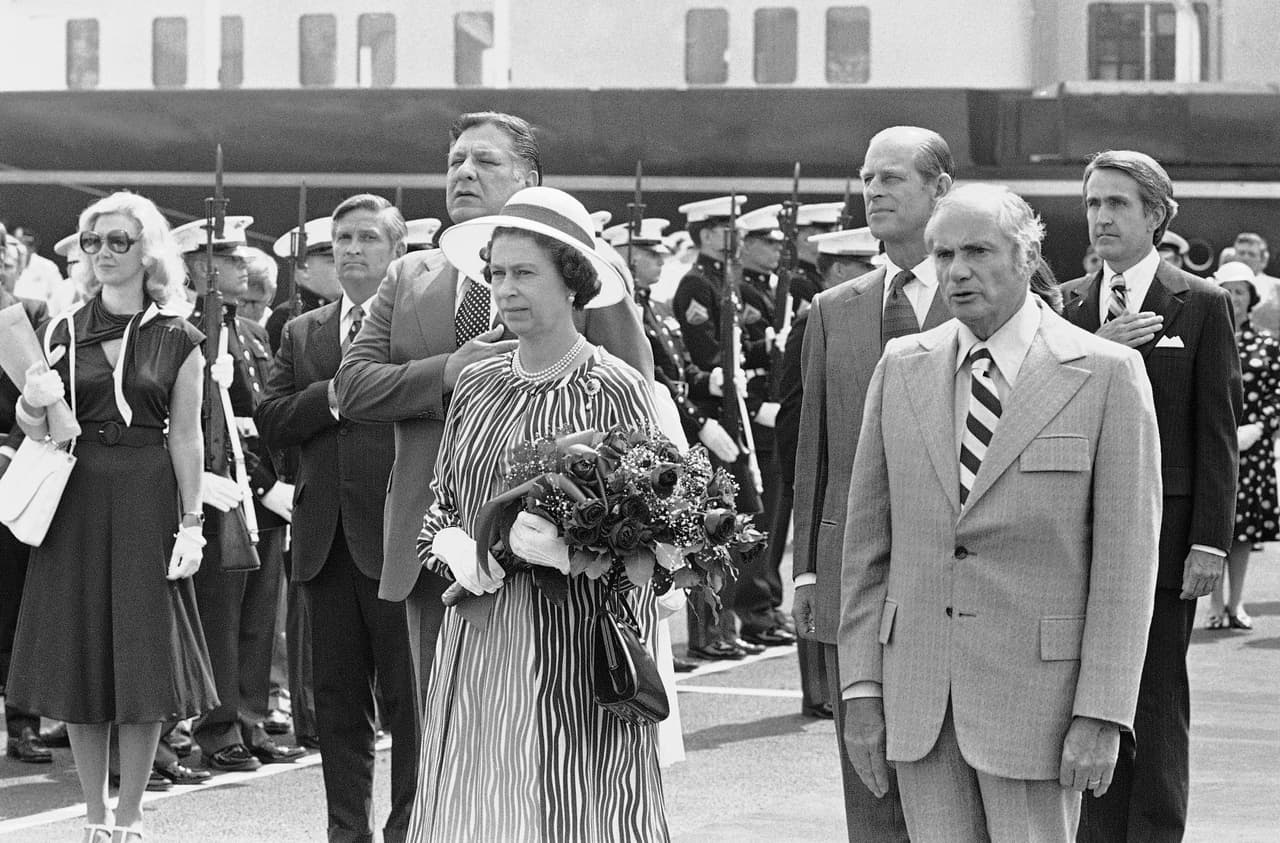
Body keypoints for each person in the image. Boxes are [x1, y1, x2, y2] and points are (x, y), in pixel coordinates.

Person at [840, 183, 1161, 841]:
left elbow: (1127, 567)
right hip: (920, 696)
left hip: (1040, 705)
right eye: (943, 254)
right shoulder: (902, 368)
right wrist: (861, 689)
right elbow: (867, 548)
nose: (957, 271)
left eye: (978, 250)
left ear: (1026, 254)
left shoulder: (1105, 374)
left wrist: (1102, 712)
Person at [333, 110, 652, 714]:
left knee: (545, 732)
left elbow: (636, 412)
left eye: (485, 161)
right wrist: (447, 373)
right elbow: (352, 388)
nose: (465, 173)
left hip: (555, 559)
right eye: (456, 161)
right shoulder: (409, 275)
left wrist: (583, 523)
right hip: (438, 544)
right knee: (444, 737)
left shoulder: (576, 269)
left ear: (529, 177)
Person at [404, 186, 667, 841]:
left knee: (567, 808)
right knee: (479, 807)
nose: (505, 287)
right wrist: (458, 546)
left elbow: (662, 541)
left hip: (575, 646)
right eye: (496, 272)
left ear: (572, 280)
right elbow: (439, 506)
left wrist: (572, 550)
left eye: (525, 272)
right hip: (478, 637)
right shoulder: (476, 382)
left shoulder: (616, 386)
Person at [4, 191, 219, 842]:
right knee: (81, 650)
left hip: (147, 491)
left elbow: (187, 436)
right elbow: (38, 423)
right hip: (77, 490)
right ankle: (93, 816)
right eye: (93, 242)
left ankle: (129, 819)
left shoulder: (180, 334)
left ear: (147, 250)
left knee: (143, 652)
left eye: (118, 241)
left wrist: (192, 521)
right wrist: (33, 403)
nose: (102, 253)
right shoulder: (60, 327)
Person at [1061, 150, 1242, 843]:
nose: (1101, 217)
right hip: (1077, 530)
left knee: (1156, 688)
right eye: (1093, 203)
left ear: (1155, 215)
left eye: (1117, 204)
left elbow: (1216, 428)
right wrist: (1095, 346)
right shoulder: (1069, 305)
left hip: (1167, 534)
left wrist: (1210, 538)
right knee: (1088, 687)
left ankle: (1154, 830)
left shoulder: (1199, 303)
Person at [791, 125, 954, 842]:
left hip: (953, 577)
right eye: (868, 177)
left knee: (953, 786)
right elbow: (815, 451)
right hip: (854, 576)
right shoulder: (835, 308)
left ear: (939, 189)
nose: (874, 191)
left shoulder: (988, 291)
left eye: (892, 177)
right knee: (869, 784)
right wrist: (803, 571)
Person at [256, 194, 419, 843]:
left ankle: (410, 827)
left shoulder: (419, 327)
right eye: (341, 239)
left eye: (366, 238)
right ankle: (346, 832)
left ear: (397, 250)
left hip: (399, 539)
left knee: (410, 704)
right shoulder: (303, 332)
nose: (351, 249)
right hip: (325, 545)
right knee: (337, 705)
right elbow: (270, 418)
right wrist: (332, 396)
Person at [172, 217, 303, 774]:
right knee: (221, 620)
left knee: (256, 618)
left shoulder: (247, 332)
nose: (242, 263)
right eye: (227, 256)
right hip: (221, 490)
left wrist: (274, 485)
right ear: (200, 269)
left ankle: (250, 720)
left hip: (259, 496)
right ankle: (219, 725)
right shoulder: (182, 331)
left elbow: (264, 418)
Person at [777, 225, 880, 720]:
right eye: (863, 267)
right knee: (820, 598)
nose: (872, 275)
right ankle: (817, 692)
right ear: (840, 269)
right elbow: (800, 410)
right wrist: (800, 477)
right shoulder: (820, 317)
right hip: (825, 476)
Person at [1204, 261, 1280, 631]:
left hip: (1253, 450)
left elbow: (1276, 394)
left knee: (1245, 529)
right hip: (1212, 445)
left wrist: (1260, 427)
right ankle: (1215, 603)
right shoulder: (1207, 334)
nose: (1234, 298)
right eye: (1228, 290)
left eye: (1240, 292)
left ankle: (1237, 603)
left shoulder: (1267, 343)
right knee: (1212, 522)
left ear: (1251, 298)